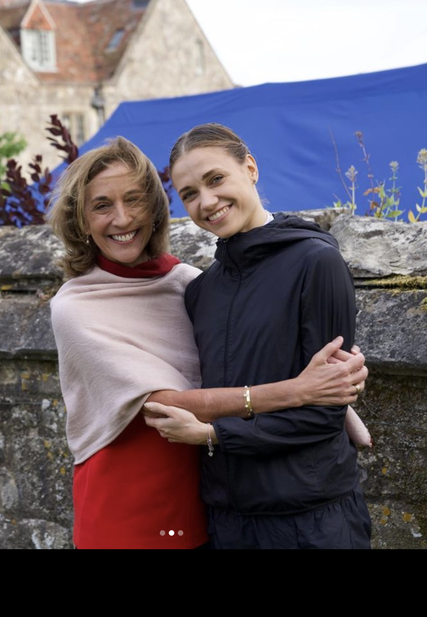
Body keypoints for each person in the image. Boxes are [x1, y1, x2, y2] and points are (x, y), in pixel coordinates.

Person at [47, 136, 370, 549]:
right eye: (102, 205)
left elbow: (232, 363)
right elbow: (165, 400)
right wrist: (299, 391)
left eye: (134, 199)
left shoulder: (189, 284)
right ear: (80, 219)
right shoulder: (76, 306)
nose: (123, 218)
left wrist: (341, 403)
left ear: (155, 208)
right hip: (127, 500)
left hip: (204, 498)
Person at [143, 123, 373, 549]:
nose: (206, 202)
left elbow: (323, 415)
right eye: (189, 193)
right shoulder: (200, 292)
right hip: (225, 524)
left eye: (216, 179)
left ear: (250, 168)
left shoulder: (316, 263)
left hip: (310, 523)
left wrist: (214, 435)